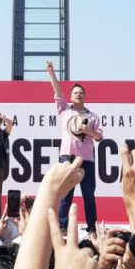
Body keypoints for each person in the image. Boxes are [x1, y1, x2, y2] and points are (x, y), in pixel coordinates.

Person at [45, 60, 103, 235]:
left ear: (85, 97)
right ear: (70, 97)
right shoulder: (65, 111)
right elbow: (57, 91)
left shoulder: (92, 116)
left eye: (81, 93)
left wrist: (88, 130)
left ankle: (91, 228)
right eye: (75, 93)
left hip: (86, 160)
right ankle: (62, 227)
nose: (78, 95)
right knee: (65, 196)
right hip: (67, 158)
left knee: (89, 196)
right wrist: (51, 73)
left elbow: (99, 137)